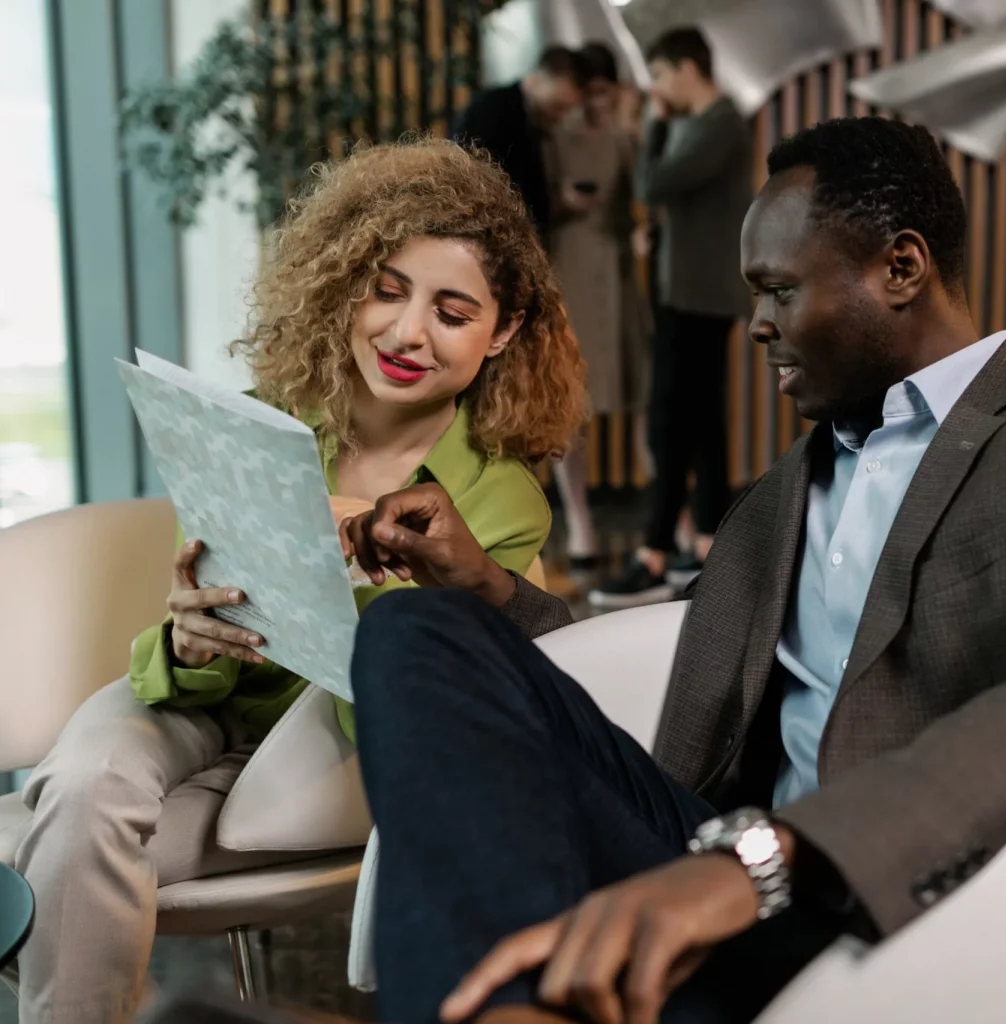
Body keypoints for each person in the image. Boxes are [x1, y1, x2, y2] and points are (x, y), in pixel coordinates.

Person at [343, 116, 1006, 1024]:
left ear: (901, 269)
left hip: (895, 907)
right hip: (717, 867)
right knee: (418, 631)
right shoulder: (785, 490)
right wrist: (481, 585)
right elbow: (670, 657)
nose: (756, 325)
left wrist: (766, 859)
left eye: (779, 291)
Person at [8, 139, 585, 1024]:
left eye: (452, 311)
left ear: (502, 332)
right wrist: (188, 635)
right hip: (203, 699)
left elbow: (423, 702)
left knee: (64, 835)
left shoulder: (498, 501)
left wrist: (364, 582)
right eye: (387, 289)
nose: (404, 332)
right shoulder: (265, 416)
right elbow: (196, 626)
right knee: (85, 780)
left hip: (327, 753)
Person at [589, 27, 754, 608]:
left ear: (687, 67)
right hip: (686, 291)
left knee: (671, 422)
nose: (655, 88)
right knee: (701, 422)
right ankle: (704, 544)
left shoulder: (720, 122)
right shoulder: (704, 124)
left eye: (659, 75)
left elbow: (651, 182)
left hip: (700, 296)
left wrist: (653, 123)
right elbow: (680, 203)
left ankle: (654, 553)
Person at [547, 43, 650, 570]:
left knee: (640, 392)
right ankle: (581, 523)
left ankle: (668, 518)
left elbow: (647, 189)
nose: (594, 101)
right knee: (571, 401)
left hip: (614, 272)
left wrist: (628, 124)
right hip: (570, 266)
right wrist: (561, 200)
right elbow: (536, 197)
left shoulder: (623, 132)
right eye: (588, 92)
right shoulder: (555, 134)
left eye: (602, 92)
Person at [454, 46, 592, 244]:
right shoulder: (491, 111)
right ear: (537, 79)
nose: (561, 117)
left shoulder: (536, 119)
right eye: (558, 106)